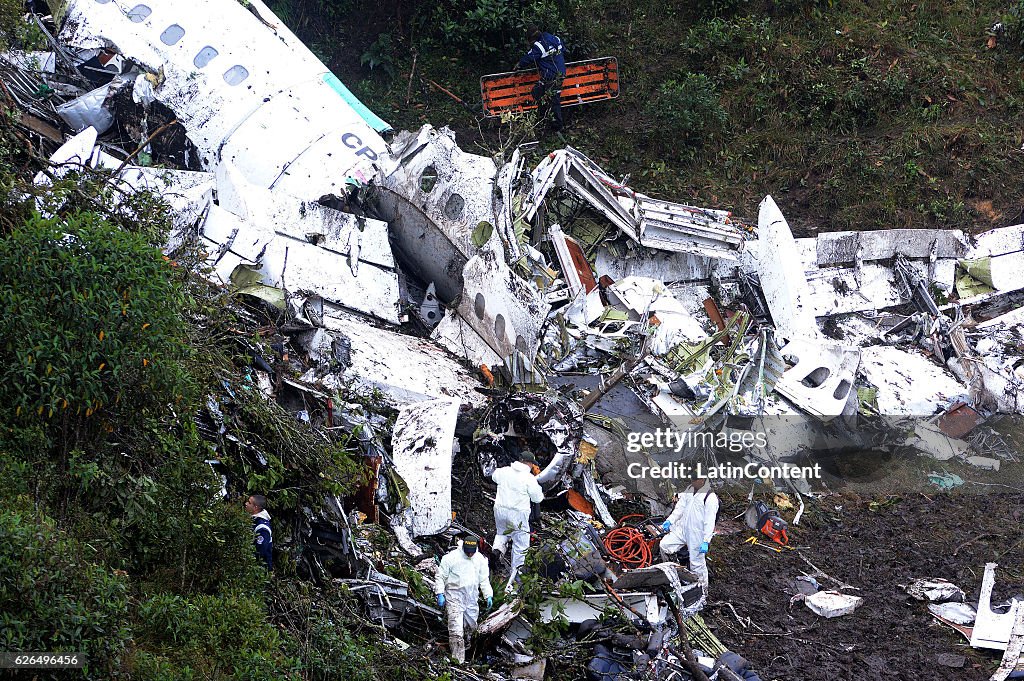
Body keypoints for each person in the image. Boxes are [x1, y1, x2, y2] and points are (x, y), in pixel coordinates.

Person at [434, 537, 493, 664]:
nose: (470, 554)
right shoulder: (451, 558)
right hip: (454, 596)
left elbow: (484, 580)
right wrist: (440, 593)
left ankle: (469, 654)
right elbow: (440, 576)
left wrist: (488, 595)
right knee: (456, 630)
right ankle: (457, 661)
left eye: (472, 551)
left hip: (471, 598)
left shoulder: (480, 560)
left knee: (471, 628)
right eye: (468, 551)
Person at [491, 450, 544, 586]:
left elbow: (493, 477)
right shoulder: (529, 478)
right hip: (518, 513)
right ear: (530, 464)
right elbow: (537, 498)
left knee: (501, 533)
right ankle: (515, 580)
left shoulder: (503, 471)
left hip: (500, 509)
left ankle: (496, 551)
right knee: (520, 546)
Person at [659, 477, 718, 592]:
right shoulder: (689, 490)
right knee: (665, 545)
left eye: (695, 479)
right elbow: (680, 508)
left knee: (697, 563)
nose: (692, 482)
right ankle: (675, 574)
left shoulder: (710, 498)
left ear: (702, 480)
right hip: (682, 529)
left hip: (697, 534)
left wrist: (706, 541)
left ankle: (702, 589)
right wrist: (670, 521)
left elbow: (709, 522)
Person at [516, 25, 567, 132]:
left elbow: (529, 57)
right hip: (560, 73)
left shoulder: (539, 46)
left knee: (552, 99)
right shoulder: (555, 38)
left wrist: (518, 65)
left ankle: (556, 126)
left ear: (532, 38)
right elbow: (563, 50)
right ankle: (544, 120)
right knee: (541, 93)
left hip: (551, 76)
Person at [245, 494, 273, 569]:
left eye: (249, 502)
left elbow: (260, 551)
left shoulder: (262, 527)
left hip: (260, 570)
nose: (246, 504)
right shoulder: (252, 520)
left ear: (255, 507)